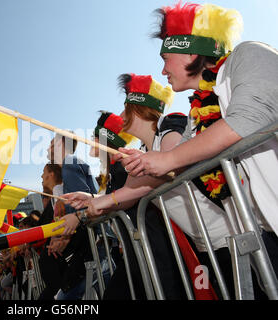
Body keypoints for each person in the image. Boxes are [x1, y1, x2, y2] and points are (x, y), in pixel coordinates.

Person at [115, 2, 278, 298]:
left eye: (166, 58)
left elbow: (248, 119)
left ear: (190, 52)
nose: (162, 69)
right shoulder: (199, 111)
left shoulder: (249, 54)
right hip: (263, 230)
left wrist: (166, 158)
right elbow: (182, 161)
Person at [63, 74, 226, 299]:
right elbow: (129, 192)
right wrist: (92, 199)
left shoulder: (171, 124)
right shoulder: (142, 149)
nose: (120, 116)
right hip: (204, 243)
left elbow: (169, 162)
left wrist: (104, 200)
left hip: (225, 234)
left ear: (138, 109)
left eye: (125, 108)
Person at [38, 133, 98, 300]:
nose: (48, 149)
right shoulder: (68, 167)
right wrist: (64, 238)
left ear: (61, 144)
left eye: (51, 144)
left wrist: (65, 237)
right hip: (88, 241)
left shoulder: (70, 163)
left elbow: (83, 205)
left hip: (93, 242)